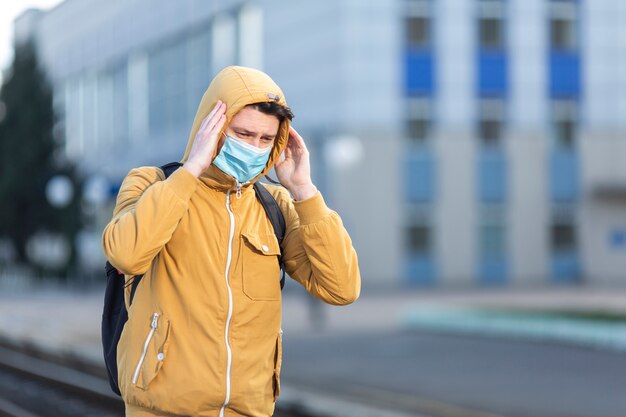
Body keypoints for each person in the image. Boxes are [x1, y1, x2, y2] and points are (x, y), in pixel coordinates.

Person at [102, 66, 361, 417]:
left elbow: (341, 287)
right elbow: (126, 254)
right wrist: (191, 169)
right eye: (243, 133)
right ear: (213, 126)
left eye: (266, 139)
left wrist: (304, 190)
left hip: (249, 410)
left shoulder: (277, 206)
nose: (254, 147)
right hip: (163, 408)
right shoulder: (151, 184)